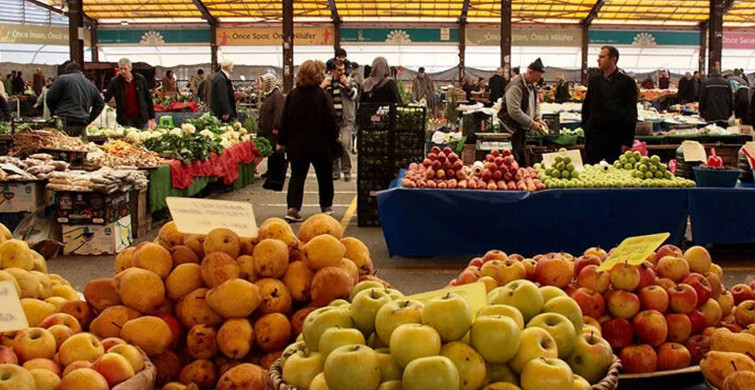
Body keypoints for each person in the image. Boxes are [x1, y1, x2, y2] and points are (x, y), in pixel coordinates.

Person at [278, 60, 338, 222]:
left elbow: (284, 120)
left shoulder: (293, 95)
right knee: (324, 176)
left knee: (297, 176)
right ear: (317, 76)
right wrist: (334, 139)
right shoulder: (322, 96)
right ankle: (326, 207)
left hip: (297, 145)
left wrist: (282, 141)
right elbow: (331, 120)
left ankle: (293, 209)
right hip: (320, 144)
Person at [582, 46, 638, 164]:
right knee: (590, 172)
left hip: (614, 138)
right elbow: (586, 106)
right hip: (594, 137)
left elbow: (631, 113)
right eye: (598, 57)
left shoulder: (627, 83)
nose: (598, 60)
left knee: (613, 175)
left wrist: (627, 141)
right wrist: (586, 127)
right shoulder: (594, 81)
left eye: (602, 57)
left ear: (613, 60)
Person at [497, 58, 548, 163]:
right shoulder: (516, 86)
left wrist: (538, 118)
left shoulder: (532, 85)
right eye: (537, 76)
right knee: (513, 159)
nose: (538, 80)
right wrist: (531, 123)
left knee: (520, 156)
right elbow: (514, 111)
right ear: (530, 72)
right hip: (511, 129)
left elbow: (535, 102)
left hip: (521, 128)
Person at [46, 63, 105, 139]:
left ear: (66, 71)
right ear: (81, 72)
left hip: (64, 123)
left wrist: (54, 113)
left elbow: (49, 98)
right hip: (81, 125)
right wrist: (89, 119)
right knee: (80, 148)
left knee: (62, 148)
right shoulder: (90, 84)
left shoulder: (62, 79)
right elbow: (100, 104)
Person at [323, 60, 358, 181]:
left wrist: (346, 85)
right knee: (332, 144)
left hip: (346, 119)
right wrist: (323, 86)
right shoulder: (327, 82)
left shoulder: (348, 81)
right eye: (339, 70)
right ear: (332, 71)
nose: (342, 72)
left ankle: (346, 170)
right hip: (331, 120)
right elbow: (319, 96)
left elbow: (354, 97)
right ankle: (335, 170)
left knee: (345, 143)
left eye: (343, 70)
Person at [103, 58, 156, 129]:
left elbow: (148, 97)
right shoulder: (115, 82)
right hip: (125, 118)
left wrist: (152, 116)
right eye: (120, 69)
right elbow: (107, 97)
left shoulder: (140, 79)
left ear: (130, 68)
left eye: (125, 69)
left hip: (141, 116)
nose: (122, 71)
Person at [257, 73, 287, 189]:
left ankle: (276, 172)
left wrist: (276, 127)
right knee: (271, 151)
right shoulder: (270, 95)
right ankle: (271, 170)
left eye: (263, 82)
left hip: (273, 130)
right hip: (268, 130)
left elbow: (279, 113)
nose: (261, 85)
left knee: (276, 151)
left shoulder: (277, 95)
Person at [210, 58, 237, 122]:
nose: (232, 66)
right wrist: (226, 111)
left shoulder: (220, 76)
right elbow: (223, 95)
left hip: (220, 111)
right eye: (231, 65)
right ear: (227, 66)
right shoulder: (221, 79)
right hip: (222, 113)